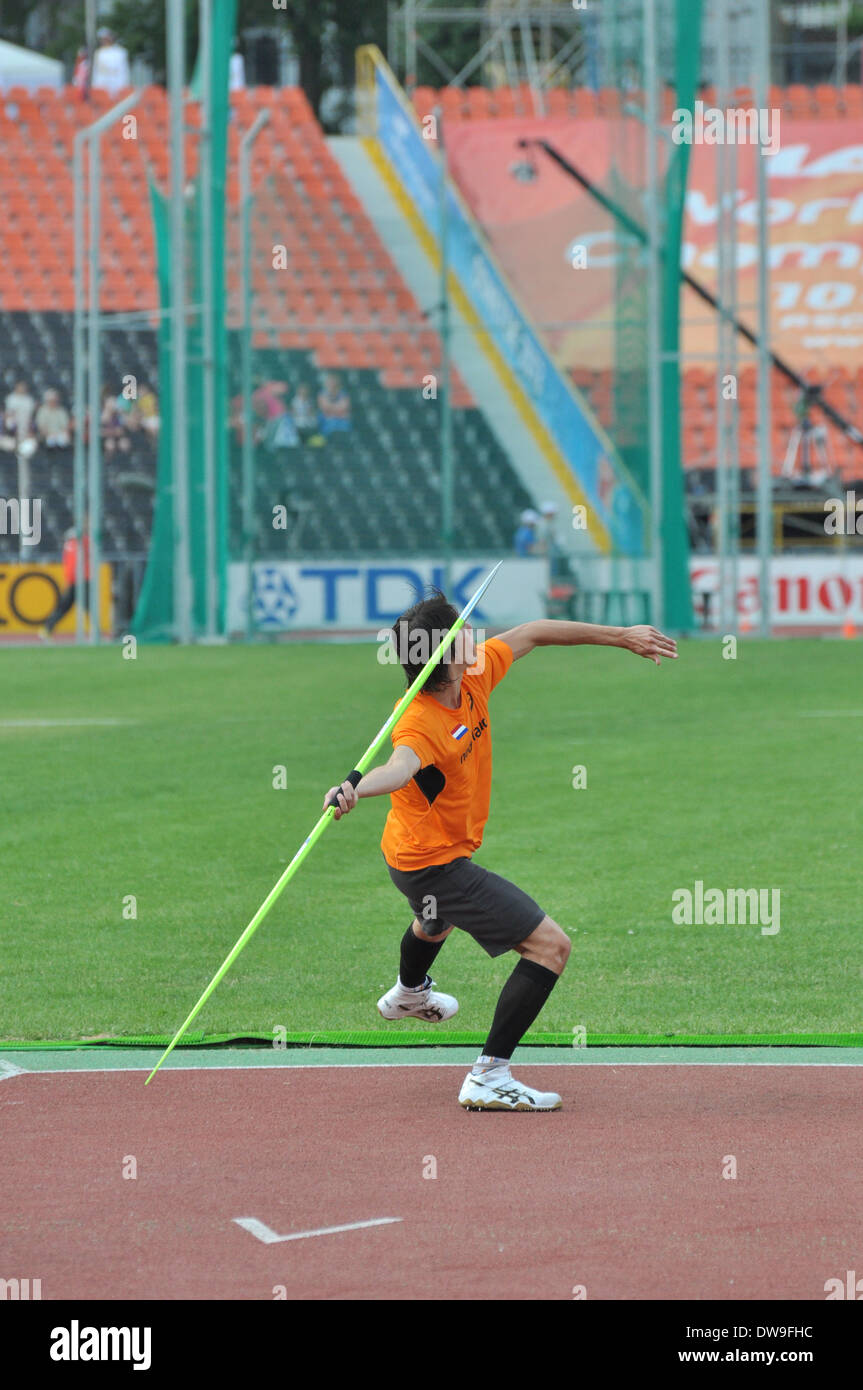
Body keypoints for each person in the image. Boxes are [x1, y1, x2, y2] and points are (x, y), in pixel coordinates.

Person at [323, 595, 677, 1110]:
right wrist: (355, 789)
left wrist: (620, 636)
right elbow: (398, 768)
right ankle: (489, 1075)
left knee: (434, 922)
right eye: (463, 631)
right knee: (551, 947)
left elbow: (534, 632)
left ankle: (409, 992)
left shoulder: (473, 676)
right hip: (432, 865)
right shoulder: (419, 723)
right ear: (443, 657)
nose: (477, 634)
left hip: (410, 855)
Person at [41, 526, 91, 638]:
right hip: (80, 580)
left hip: (75, 580)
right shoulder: (79, 544)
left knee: (64, 607)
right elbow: (74, 565)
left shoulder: (71, 545)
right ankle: (97, 632)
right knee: (87, 605)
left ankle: (47, 628)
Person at [90, 27, 130, 97]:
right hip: (102, 88)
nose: (105, 41)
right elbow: (97, 73)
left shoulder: (120, 52)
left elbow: (123, 71)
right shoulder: (98, 53)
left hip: (118, 87)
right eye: (103, 39)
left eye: (107, 38)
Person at [317, 371, 351, 435]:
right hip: (327, 420)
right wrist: (337, 408)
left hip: (341, 419)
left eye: (334, 381)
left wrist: (331, 409)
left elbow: (345, 407)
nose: (332, 383)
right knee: (330, 424)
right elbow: (324, 408)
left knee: (345, 424)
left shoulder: (343, 393)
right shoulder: (322, 393)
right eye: (331, 380)